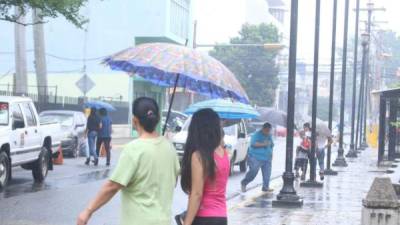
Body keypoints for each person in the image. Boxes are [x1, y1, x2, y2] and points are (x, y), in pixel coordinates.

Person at [77, 97, 180, 225]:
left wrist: (88, 211)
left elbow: (112, 186)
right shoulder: (169, 147)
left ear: (134, 120)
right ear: (157, 119)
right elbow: (173, 181)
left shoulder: (134, 149)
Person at [180, 108, 229, 225]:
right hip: (221, 217)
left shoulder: (199, 156)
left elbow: (197, 194)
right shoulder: (224, 153)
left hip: (204, 218)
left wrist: (186, 223)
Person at [241, 122, 274, 193]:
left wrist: (271, 154)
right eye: (266, 130)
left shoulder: (269, 136)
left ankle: (265, 187)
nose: (267, 132)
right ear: (263, 128)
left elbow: (271, 145)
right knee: (253, 172)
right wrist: (264, 144)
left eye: (269, 130)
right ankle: (244, 182)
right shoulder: (256, 134)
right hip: (256, 157)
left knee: (267, 174)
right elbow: (253, 144)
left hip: (267, 158)